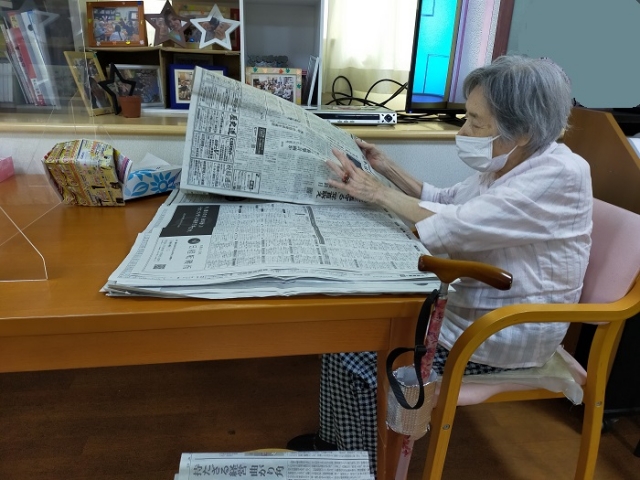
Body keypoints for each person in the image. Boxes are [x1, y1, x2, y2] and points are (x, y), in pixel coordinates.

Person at [286, 55, 593, 475]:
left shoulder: (558, 174)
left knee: (356, 354)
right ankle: (337, 444)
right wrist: (385, 167)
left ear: (521, 132)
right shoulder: (512, 162)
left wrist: (378, 193)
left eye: (476, 123)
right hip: (475, 307)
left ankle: (361, 467)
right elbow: (445, 200)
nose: (464, 132)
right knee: (345, 332)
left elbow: (457, 225)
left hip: (505, 330)